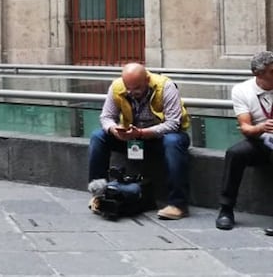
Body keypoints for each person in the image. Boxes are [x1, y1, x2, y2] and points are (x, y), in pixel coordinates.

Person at [88, 62, 191, 220]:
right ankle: (99, 194)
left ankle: (178, 204)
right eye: (128, 87)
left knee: (173, 142)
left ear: (147, 79)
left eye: (136, 88)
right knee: (98, 136)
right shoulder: (116, 87)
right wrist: (114, 130)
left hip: (160, 137)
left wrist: (143, 133)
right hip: (131, 136)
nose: (131, 92)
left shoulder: (166, 86)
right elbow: (106, 117)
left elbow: (173, 123)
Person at [214, 51, 273, 232]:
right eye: (272, 71)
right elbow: (246, 128)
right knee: (235, 153)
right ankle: (226, 209)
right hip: (260, 139)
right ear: (258, 73)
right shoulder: (242, 90)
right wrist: (262, 128)